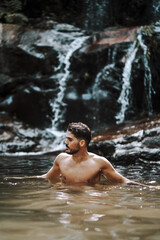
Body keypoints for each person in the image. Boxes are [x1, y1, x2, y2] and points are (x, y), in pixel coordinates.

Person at [6, 122, 160, 188]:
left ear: (81, 143)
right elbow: (47, 178)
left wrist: (150, 188)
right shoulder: (61, 159)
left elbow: (123, 181)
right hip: (66, 200)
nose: (65, 143)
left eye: (69, 139)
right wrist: (17, 179)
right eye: (65, 138)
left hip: (90, 201)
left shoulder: (99, 163)